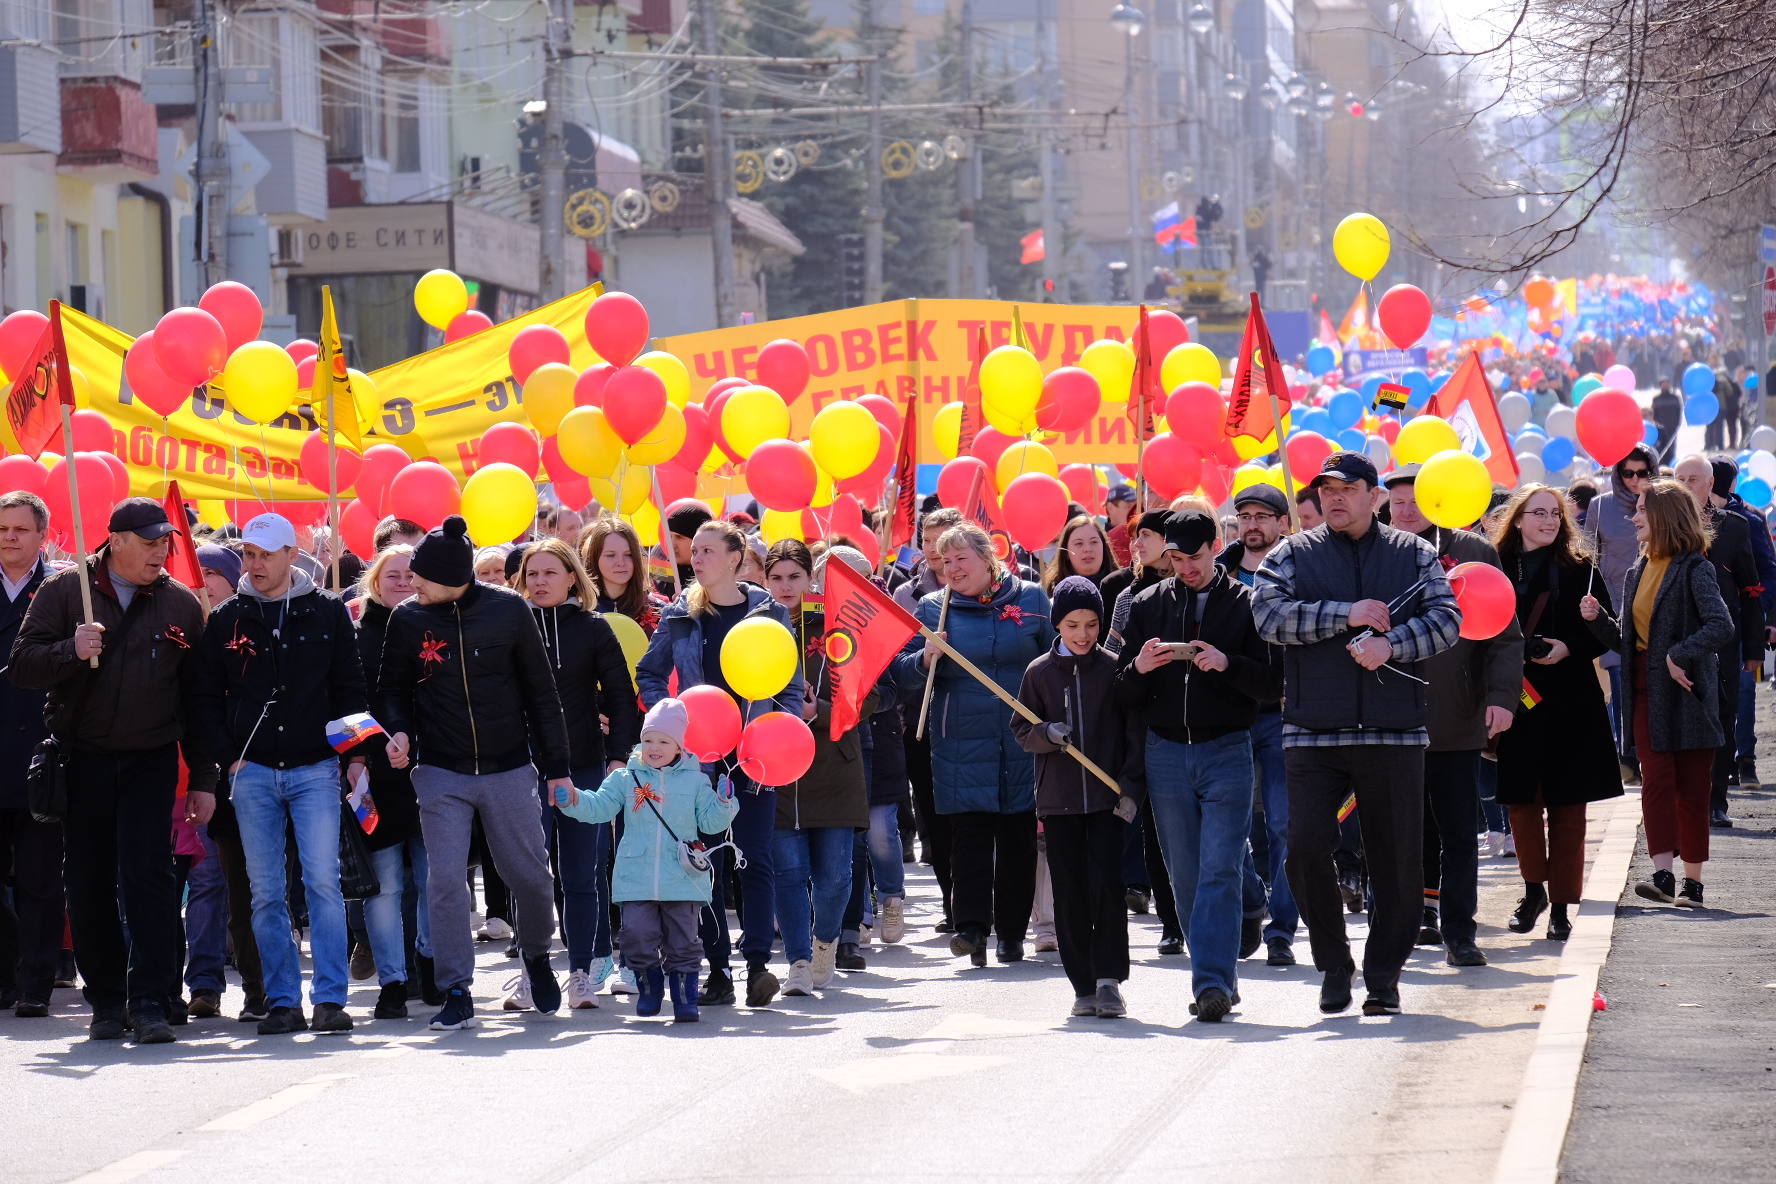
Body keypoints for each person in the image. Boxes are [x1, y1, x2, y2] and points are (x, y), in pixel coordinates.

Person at [1251, 452, 1461, 1017]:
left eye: (1347, 489)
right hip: (1312, 731)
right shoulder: (1292, 553)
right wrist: (1346, 614)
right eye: (1326, 490)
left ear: (1376, 496)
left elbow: (1448, 620)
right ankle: (1334, 964)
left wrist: (1391, 645)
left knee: (1397, 862)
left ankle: (1384, 976)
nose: (1335, 498)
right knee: (1303, 850)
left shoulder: (1414, 554)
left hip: (1394, 731)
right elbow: (1268, 617)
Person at [10, 497, 214, 1044]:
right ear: (115, 541)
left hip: (151, 759)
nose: (159, 552)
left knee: (149, 876)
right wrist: (69, 651)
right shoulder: (63, 591)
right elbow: (22, 666)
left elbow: (198, 700)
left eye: (164, 542)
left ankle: (151, 999)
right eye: (148, 542)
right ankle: (106, 1000)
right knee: (88, 879)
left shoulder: (180, 605)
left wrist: (203, 779)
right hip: (84, 756)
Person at [378, 515, 575, 1030]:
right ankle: (456, 990)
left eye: (422, 576)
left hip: (509, 768)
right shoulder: (406, 620)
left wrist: (556, 770)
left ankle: (534, 955)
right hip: (440, 770)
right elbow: (392, 691)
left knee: (531, 879)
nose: (411, 583)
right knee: (445, 881)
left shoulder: (510, 611)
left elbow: (542, 695)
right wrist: (399, 732)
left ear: (452, 578)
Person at [189, 513, 368, 1035]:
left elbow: (351, 689)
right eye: (248, 553)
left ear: (293, 553)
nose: (255, 563)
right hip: (253, 772)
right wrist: (229, 757)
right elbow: (203, 699)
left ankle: (331, 998)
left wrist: (354, 757)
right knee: (264, 890)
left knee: (322, 884)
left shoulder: (328, 613)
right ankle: (282, 999)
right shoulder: (226, 619)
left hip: (315, 767)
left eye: (266, 553)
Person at [1115, 511, 1282, 1022]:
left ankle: (1211, 981)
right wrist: (1140, 667)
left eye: (1194, 556)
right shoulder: (1145, 605)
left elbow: (1274, 684)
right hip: (1164, 751)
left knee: (1218, 868)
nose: (1185, 567)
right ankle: (1218, 966)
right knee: (1185, 873)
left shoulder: (1250, 604)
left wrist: (1227, 664)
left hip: (1227, 748)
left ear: (1216, 546)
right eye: (1176, 558)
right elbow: (1120, 691)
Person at [635, 518, 802, 1009]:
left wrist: (780, 725)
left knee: (755, 858)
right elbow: (649, 672)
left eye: (709, 551)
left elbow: (788, 683)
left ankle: (756, 967)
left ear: (735, 558)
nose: (698, 558)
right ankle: (717, 970)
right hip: (698, 761)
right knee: (706, 865)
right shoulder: (680, 613)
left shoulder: (769, 613)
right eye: (696, 552)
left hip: (755, 756)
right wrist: (667, 724)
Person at [891, 522, 1053, 968]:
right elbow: (900, 672)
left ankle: (1012, 935)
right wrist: (925, 658)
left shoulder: (1032, 598)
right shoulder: (932, 608)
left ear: (988, 558)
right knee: (969, 839)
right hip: (960, 741)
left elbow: (1058, 656)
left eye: (962, 558)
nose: (953, 568)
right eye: (946, 560)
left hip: (1022, 739)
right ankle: (971, 929)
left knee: (1019, 838)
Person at [1380, 465, 1523, 968]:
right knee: (1401, 832)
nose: (1404, 511)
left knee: (1460, 832)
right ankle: (1410, 916)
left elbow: (1505, 634)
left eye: (1413, 500)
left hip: (1457, 718)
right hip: (1390, 720)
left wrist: (1502, 697)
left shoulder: (1473, 553)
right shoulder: (1375, 554)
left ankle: (1459, 931)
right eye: (1395, 503)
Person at [1491, 485, 1623, 940]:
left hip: (1571, 701)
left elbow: (1610, 632)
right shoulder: (1496, 565)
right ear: (1519, 519)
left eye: (1555, 513)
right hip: (1516, 699)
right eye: (1538, 513)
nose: (1549, 520)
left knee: (1569, 809)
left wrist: (1571, 645)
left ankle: (1564, 905)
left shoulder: (1580, 568)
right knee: (1521, 804)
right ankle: (1533, 891)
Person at [511, 538, 639, 1009]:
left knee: (582, 874)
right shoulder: (509, 623)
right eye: (533, 574)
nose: (540, 582)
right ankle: (532, 972)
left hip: (583, 765)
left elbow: (623, 697)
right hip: (520, 769)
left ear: (571, 578)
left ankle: (582, 974)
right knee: (529, 876)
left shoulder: (594, 628)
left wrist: (619, 758)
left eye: (550, 573)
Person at [559, 699, 738, 1022]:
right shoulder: (626, 778)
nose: (654, 747)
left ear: (679, 745)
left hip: (681, 879)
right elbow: (599, 806)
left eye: (663, 741)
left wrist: (725, 801)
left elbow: (712, 823)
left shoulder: (695, 780)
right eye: (648, 740)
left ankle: (684, 998)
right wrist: (574, 800)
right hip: (636, 876)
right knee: (636, 937)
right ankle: (650, 984)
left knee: (684, 942)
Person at [1014, 576, 1142, 1018]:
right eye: (1072, 625)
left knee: (1107, 887)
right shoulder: (1039, 673)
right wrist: (1045, 734)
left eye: (1091, 624)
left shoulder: (1114, 669)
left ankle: (1109, 981)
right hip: (1059, 800)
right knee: (1069, 892)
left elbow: (1133, 733)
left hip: (1108, 801)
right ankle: (1082, 985)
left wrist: (1130, 786)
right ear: (1057, 625)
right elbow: (1021, 730)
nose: (1083, 634)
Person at [763, 540, 876, 994]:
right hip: (776, 772)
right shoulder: (753, 627)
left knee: (834, 878)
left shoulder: (838, 630)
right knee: (788, 875)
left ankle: (825, 939)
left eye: (795, 576)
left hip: (834, 769)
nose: (786, 586)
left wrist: (822, 712)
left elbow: (875, 695)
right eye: (776, 577)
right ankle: (797, 961)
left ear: (812, 578)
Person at [1623, 481, 1736, 908]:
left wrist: (1679, 653)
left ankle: (1693, 884)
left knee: (1692, 786)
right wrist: (1598, 620)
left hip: (1687, 692)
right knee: (1655, 780)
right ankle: (1663, 875)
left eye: (1641, 510)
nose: (1634, 517)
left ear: (1664, 517)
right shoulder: (1638, 567)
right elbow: (1628, 633)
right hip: (1643, 689)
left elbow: (1720, 625)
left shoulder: (1694, 567)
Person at [350, 545, 437, 1012]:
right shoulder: (355, 635)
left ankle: (430, 964)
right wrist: (360, 756)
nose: (403, 581)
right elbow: (348, 701)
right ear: (375, 581)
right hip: (373, 773)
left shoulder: (437, 626)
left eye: (411, 574)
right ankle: (392, 983)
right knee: (386, 884)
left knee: (435, 879)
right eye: (393, 574)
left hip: (431, 767)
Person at [1215, 483, 1298, 966]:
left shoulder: (1302, 571)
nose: (1252, 524)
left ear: (1282, 523)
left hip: (1282, 716)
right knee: (1230, 822)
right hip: (1228, 716)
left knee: (1286, 823)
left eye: (1263, 516)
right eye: (1244, 516)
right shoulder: (1217, 574)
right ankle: (1251, 902)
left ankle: (1282, 929)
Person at [1672, 454, 1764, 827]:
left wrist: (1755, 648)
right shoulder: (1662, 525)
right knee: (1677, 717)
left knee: (1722, 716)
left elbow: (1751, 588)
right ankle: (1684, 801)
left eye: (1694, 478)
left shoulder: (1736, 526)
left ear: (1711, 484)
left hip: (1722, 639)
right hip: (1675, 640)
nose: (1686, 484)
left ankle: (1715, 802)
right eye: (1680, 478)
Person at [0, 491, 64, 1018]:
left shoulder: (66, 590)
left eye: (20, 529)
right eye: (2, 528)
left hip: (46, 758)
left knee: (41, 883)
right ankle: (4, 973)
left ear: (42, 535)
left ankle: (35, 982)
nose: (9, 537)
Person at [895, 507, 962, 931]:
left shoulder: (980, 590)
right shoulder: (907, 596)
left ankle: (979, 895)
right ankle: (950, 901)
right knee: (934, 815)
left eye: (944, 541)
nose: (935, 551)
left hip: (968, 716)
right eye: (927, 541)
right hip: (921, 721)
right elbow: (896, 660)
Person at [1588, 445, 1657, 776]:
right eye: (1628, 472)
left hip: (1656, 606)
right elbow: (1586, 556)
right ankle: (1627, 754)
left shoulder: (1663, 505)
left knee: (1650, 681)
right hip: (1614, 604)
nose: (1635, 479)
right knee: (1618, 681)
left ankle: (1648, 751)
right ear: (1618, 474)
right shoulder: (1599, 506)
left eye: (1642, 472)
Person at [581, 515, 670, 637]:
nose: (621, 562)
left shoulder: (661, 612)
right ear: (595, 558)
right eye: (611, 555)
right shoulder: (580, 610)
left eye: (628, 555)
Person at [1042, 515, 1116, 593]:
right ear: (1066, 551)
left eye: (1094, 542)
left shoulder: (1122, 586)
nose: (1088, 549)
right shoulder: (1049, 593)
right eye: (1079, 543)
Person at [654, 501, 713, 596]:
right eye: (669, 536)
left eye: (679, 537)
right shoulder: (664, 575)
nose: (671, 544)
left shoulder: (712, 582)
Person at [1104, 484, 1137, 569]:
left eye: (1135, 506)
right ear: (1110, 507)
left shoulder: (1141, 534)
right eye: (1128, 507)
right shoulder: (1099, 538)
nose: (1133, 511)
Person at [1650, 380, 1682, 460]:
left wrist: (1677, 423)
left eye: (1667, 383)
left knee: (1671, 446)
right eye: (1664, 384)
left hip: (1672, 426)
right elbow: (1653, 412)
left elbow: (1678, 411)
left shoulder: (1675, 398)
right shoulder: (1656, 399)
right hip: (1660, 427)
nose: (1665, 385)